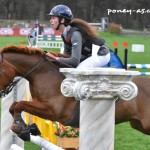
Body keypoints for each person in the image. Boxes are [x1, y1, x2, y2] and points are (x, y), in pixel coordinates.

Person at [46, 4, 110, 69]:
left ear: (62, 20)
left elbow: (74, 62)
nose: (51, 21)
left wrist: (55, 58)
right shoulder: (65, 34)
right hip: (89, 54)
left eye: (53, 18)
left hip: (101, 54)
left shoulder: (75, 34)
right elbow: (67, 56)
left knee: (79, 69)